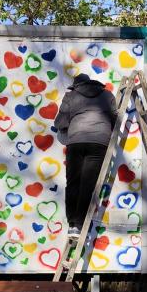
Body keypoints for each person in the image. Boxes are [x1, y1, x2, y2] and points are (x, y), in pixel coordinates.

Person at [56, 73, 118, 235]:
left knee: (73, 182)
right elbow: (114, 118)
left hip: (76, 141)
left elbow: (60, 122)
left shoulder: (71, 96)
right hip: (99, 141)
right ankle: (79, 223)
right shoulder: (107, 95)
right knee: (88, 184)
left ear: (76, 86)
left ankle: (72, 224)